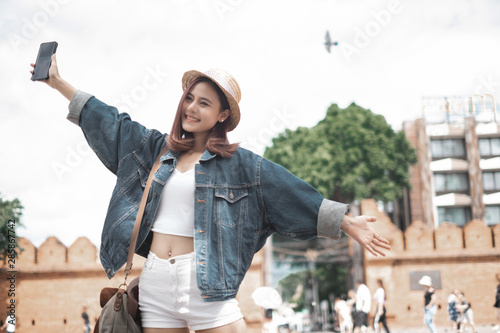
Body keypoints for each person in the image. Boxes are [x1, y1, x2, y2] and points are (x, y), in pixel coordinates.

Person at [30, 54, 391, 333]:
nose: (191, 108)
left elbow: (288, 191)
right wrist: (58, 82)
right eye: (189, 98)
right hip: (155, 281)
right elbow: (109, 121)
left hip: (207, 285)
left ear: (222, 115)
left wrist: (344, 221)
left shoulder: (242, 165)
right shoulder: (155, 150)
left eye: (204, 103)